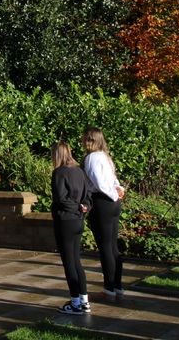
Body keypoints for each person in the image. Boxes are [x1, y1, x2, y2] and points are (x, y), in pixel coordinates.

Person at [82, 127, 125, 299]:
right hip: (113, 203)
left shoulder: (92, 158)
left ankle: (109, 287)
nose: (82, 142)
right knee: (112, 246)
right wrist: (118, 190)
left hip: (102, 202)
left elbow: (99, 183)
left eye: (85, 139)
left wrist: (113, 192)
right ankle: (118, 286)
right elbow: (113, 179)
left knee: (105, 246)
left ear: (91, 140)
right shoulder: (106, 157)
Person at [50, 141, 92, 315]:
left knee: (69, 263)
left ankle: (75, 303)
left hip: (66, 221)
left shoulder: (59, 173)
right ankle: (84, 301)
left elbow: (60, 198)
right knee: (76, 262)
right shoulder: (79, 171)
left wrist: (75, 208)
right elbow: (89, 195)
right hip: (78, 221)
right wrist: (84, 207)